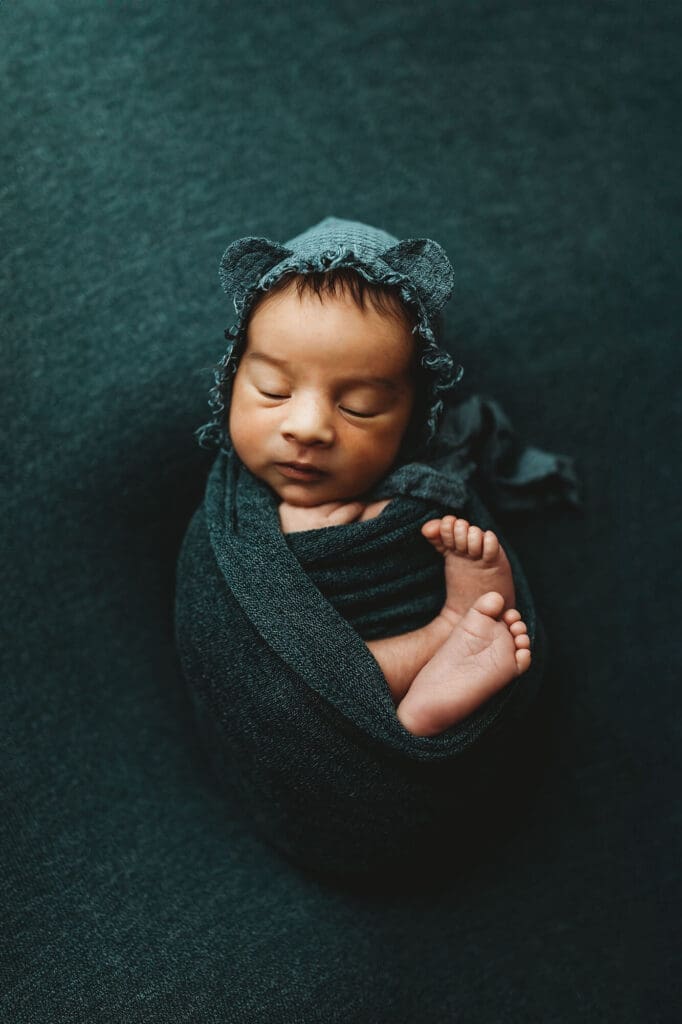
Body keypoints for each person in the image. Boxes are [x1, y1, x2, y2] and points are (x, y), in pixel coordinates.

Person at [196, 216, 531, 738]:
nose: (307, 428)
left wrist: (365, 527)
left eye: (360, 407)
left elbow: (416, 530)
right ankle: (437, 651)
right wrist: (304, 538)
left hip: (391, 625)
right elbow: (219, 641)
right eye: (272, 390)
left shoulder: (423, 495)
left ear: (415, 420)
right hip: (292, 720)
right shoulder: (228, 516)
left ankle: (447, 644)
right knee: (288, 688)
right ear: (233, 377)